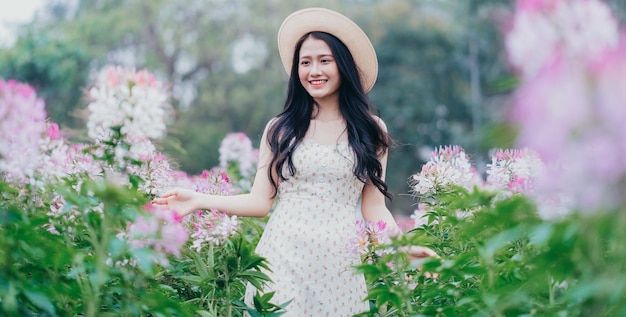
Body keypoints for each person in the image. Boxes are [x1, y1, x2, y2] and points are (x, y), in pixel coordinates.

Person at [153, 7, 437, 316]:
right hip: (282, 258)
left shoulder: (371, 130)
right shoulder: (281, 129)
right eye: (305, 62)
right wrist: (198, 199)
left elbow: (374, 208)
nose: (314, 70)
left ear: (343, 66)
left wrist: (400, 249)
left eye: (324, 60)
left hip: (341, 265)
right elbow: (261, 202)